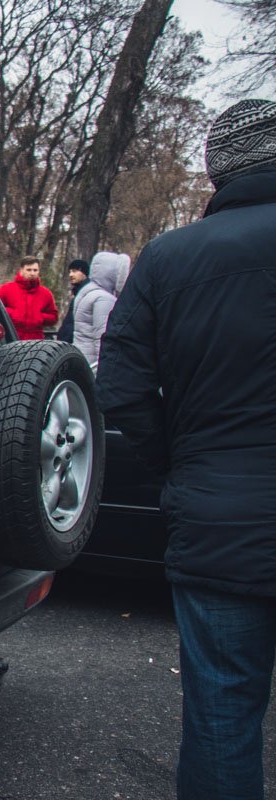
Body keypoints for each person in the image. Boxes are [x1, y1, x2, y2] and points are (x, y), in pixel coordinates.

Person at [96, 98, 276, 800]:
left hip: (218, 523)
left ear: (216, 173)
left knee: (223, 716)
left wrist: (183, 463)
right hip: (217, 507)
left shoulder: (170, 258)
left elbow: (123, 388)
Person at [71, 252, 128, 369]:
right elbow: (102, 338)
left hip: (81, 358)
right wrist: (105, 368)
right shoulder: (104, 299)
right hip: (93, 364)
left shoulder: (86, 291)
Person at [0, 256, 57, 340]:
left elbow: (53, 317)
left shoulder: (46, 293)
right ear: (21, 270)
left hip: (35, 340)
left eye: (35, 270)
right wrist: (14, 314)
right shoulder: (6, 289)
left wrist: (39, 317)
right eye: (29, 270)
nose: (32, 273)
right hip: (11, 336)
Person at [56, 259, 90, 343]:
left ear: (84, 273)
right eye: (70, 272)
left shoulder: (86, 294)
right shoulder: (78, 293)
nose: (71, 275)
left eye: (74, 271)